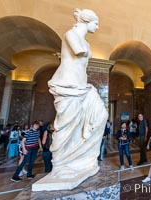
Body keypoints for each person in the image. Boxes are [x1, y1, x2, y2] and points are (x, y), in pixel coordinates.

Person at [47, 8, 108, 180]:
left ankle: (84, 158)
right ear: (86, 21)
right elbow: (79, 51)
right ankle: (60, 165)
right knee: (66, 126)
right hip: (68, 84)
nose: (97, 27)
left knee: (101, 115)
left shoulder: (85, 42)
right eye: (96, 23)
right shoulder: (71, 35)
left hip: (82, 86)